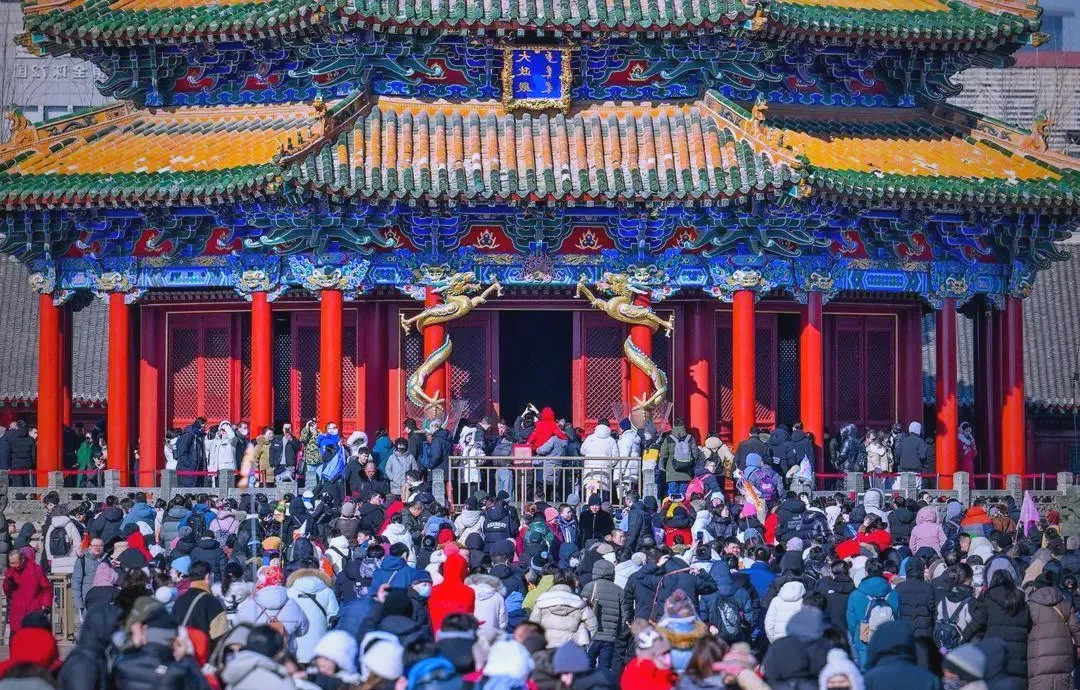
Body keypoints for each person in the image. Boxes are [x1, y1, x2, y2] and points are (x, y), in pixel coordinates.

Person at [963, 569, 1029, 687]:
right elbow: (1027, 625)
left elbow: (977, 623)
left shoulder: (988, 598)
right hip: (1018, 657)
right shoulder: (1022, 602)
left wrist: (962, 638)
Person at [1026, 570, 1080, 690]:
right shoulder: (1065, 603)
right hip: (1063, 656)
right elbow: (1076, 627)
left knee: (1040, 682)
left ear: (1036, 588)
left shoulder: (1031, 605)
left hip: (1038, 656)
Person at [529, 570, 597, 648]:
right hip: (572, 648)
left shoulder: (542, 600)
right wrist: (584, 640)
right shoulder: (580, 602)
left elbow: (532, 626)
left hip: (547, 647)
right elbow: (593, 626)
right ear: (572, 583)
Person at [3, 546, 51, 635]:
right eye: (11, 563)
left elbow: (46, 588)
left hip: (34, 611)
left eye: (15, 563)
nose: (13, 566)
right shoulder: (10, 572)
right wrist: (7, 582)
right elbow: (8, 593)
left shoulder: (36, 570)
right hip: (17, 614)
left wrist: (46, 605)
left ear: (22, 558)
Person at [659, 420, 698, 497]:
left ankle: (673, 505)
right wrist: (690, 466)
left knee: (672, 496)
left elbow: (663, 455)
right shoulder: (690, 438)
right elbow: (695, 455)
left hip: (672, 472)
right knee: (683, 496)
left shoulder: (668, 438)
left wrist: (665, 467)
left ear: (674, 426)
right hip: (686, 472)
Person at [176, 418, 207, 488]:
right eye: (203, 425)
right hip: (188, 470)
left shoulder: (200, 436)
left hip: (197, 469)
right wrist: (189, 464)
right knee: (187, 491)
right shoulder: (188, 435)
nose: (205, 427)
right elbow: (182, 451)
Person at [7, 420, 36, 488]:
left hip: (15, 465)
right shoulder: (31, 439)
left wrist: (9, 466)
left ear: (17, 427)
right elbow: (33, 455)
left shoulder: (11, 439)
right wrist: (32, 464)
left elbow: (8, 453)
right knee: (27, 485)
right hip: (27, 464)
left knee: (18, 486)